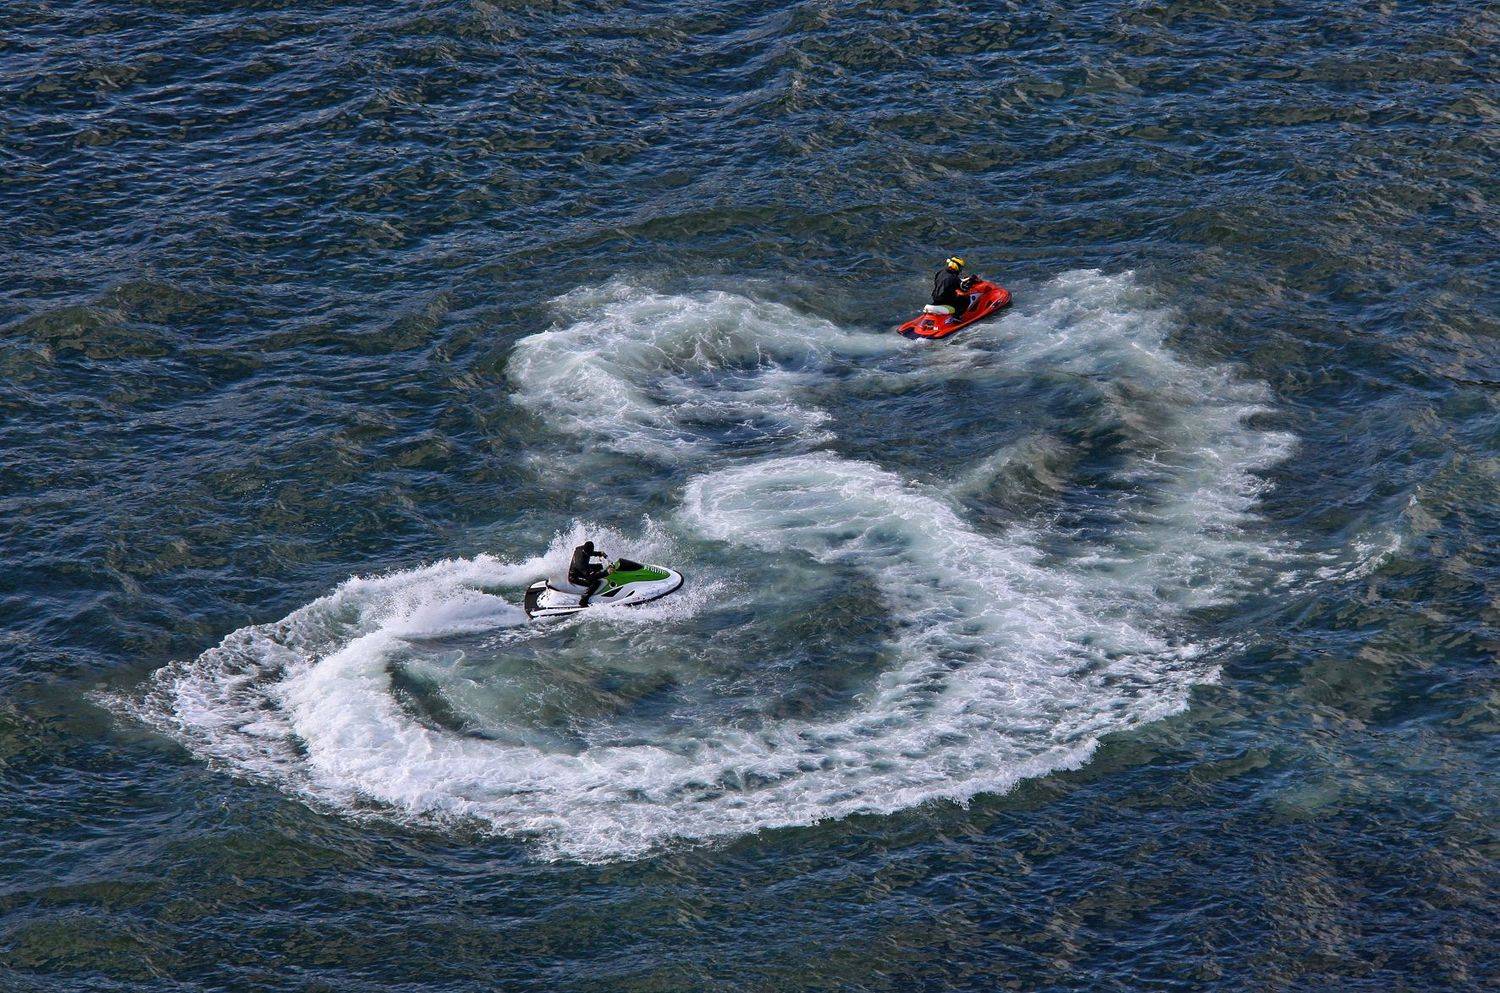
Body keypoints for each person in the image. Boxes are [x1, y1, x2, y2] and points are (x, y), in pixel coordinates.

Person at [568, 540, 610, 606]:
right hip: (574, 577)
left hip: (580, 569)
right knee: (596, 583)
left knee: (599, 566)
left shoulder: (580, 548)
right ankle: (583, 600)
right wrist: (606, 573)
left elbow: (590, 552)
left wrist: (599, 553)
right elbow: (591, 576)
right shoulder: (581, 564)